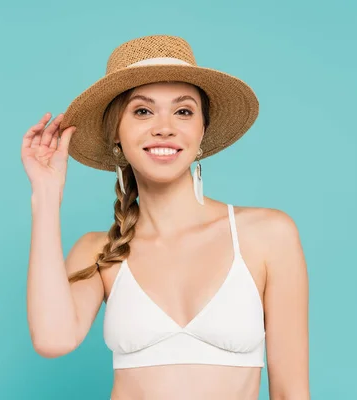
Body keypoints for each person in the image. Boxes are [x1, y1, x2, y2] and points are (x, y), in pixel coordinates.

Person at [21, 35, 309, 400]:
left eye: (183, 111)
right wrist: (46, 196)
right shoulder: (99, 251)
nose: (165, 127)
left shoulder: (268, 235)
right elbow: (52, 339)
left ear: (202, 130)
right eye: (142, 111)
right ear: (116, 135)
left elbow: (291, 393)